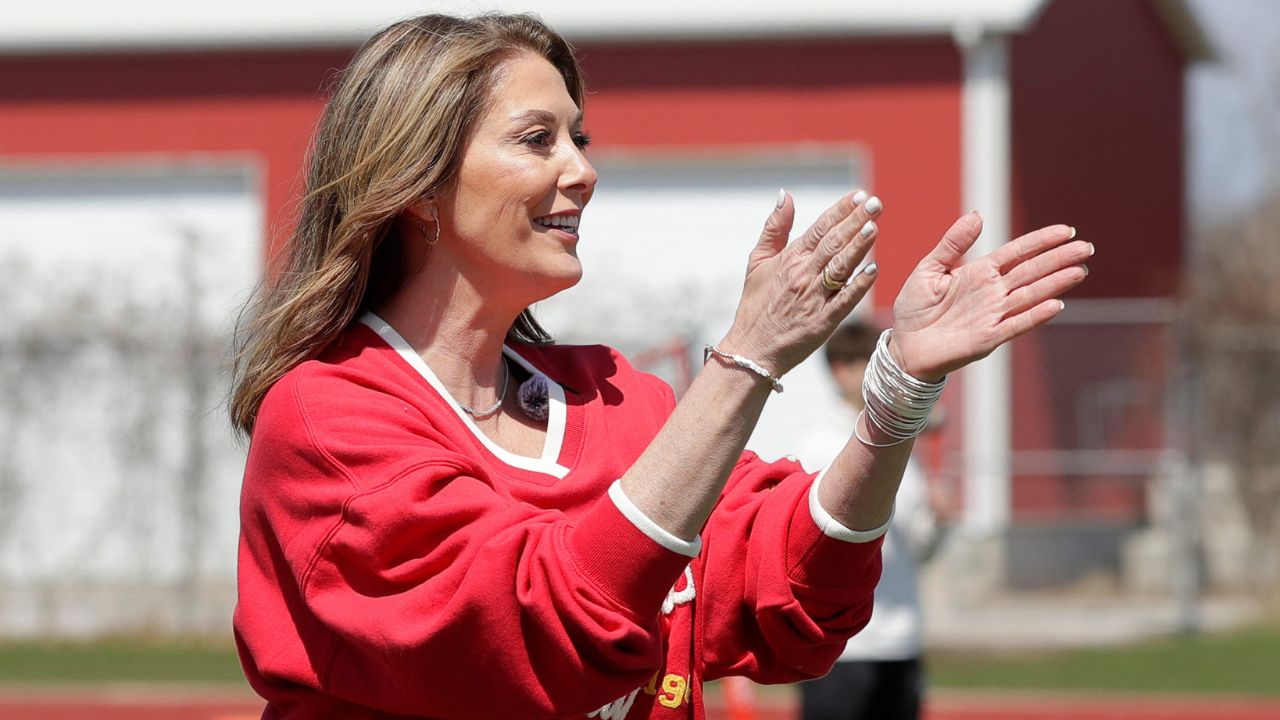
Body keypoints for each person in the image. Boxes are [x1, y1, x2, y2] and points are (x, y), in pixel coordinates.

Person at [228, 12, 1092, 720]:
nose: (584, 170)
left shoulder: (613, 399)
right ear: (417, 186)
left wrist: (898, 390)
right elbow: (538, 634)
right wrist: (745, 359)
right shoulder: (328, 416)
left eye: (579, 136)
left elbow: (792, 596)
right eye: (538, 139)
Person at [796, 322, 948, 720]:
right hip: (840, 646)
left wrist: (938, 519)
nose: (883, 376)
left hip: (901, 640)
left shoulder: (902, 448)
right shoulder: (817, 446)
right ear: (840, 371)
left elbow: (920, 547)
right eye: (872, 364)